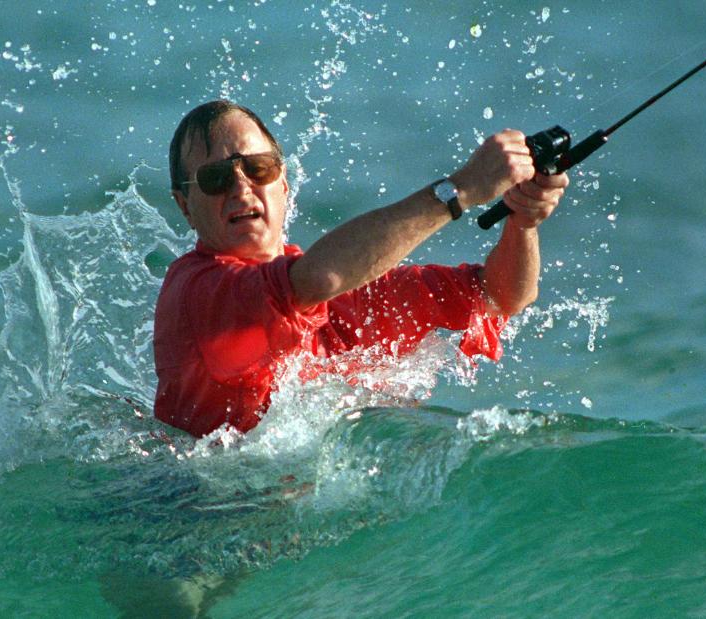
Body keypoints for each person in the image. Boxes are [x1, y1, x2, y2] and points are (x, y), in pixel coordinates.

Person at [153, 100, 569, 437]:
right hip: (192, 514)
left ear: (283, 185)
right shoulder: (199, 291)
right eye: (215, 178)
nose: (242, 186)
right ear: (185, 205)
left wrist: (522, 222)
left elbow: (500, 296)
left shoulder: (344, 295)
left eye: (258, 168)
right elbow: (316, 279)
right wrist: (460, 190)